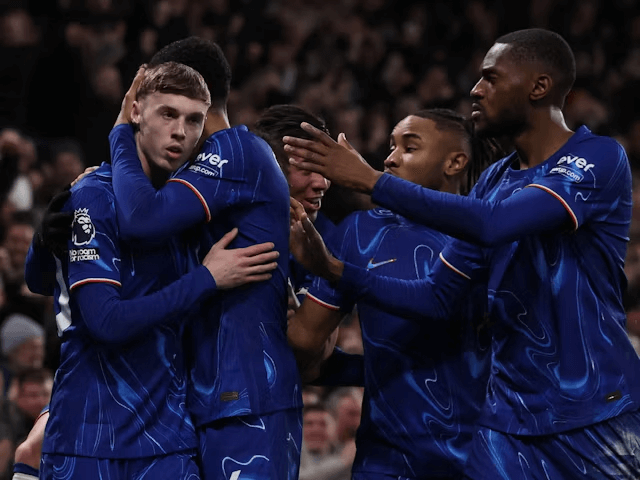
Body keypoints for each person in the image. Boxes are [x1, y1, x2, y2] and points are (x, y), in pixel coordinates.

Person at [283, 28, 640, 478]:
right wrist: (333, 269)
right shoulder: (492, 181)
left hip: (596, 408)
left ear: (539, 86)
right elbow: (436, 296)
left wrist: (371, 181)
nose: (476, 89)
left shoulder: (597, 157)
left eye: (491, 78)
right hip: (506, 423)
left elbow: (495, 224)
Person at [25, 61, 279, 479]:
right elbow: (104, 319)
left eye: (193, 119)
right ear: (136, 113)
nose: (181, 131)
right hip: (90, 440)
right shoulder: (94, 193)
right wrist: (207, 278)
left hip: (168, 440)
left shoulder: (189, 206)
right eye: (168, 114)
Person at [109, 37, 302, 479]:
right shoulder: (196, 170)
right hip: (208, 395)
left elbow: (140, 217)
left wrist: (120, 129)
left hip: (247, 394)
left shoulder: (236, 151)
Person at [288, 109, 496, 479]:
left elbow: (306, 350)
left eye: (409, 147)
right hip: (397, 460)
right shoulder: (360, 231)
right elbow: (305, 344)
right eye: (390, 146)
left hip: (471, 458)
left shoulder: (490, 235)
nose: (390, 158)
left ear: (455, 162)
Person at [253, 104, 335, 304]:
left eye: (324, 168)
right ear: (271, 170)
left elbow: (325, 335)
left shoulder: (330, 238)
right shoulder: (228, 230)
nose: (322, 183)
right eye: (306, 169)